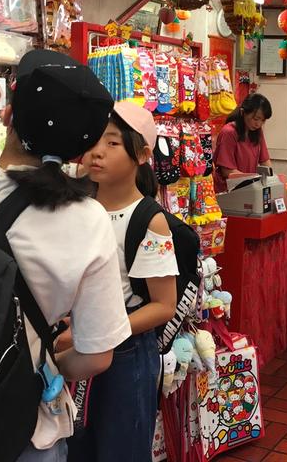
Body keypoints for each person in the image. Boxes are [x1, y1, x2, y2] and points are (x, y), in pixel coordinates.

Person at [0, 50, 131, 461]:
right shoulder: (88, 219)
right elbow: (97, 356)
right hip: (22, 428)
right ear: (82, 148)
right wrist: (46, 367)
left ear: (7, 115)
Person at [69, 101, 178, 462]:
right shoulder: (77, 206)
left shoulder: (149, 220)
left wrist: (97, 330)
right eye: (94, 140)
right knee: (77, 446)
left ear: (142, 155)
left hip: (126, 354)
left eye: (112, 143)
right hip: (75, 349)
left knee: (121, 448)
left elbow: (164, 306)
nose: (96, 152)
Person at [213, 93, 273, 193]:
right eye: (256, 119)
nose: (258, 124)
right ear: (242, 112)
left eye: (263, 120)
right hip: (228, 191)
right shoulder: (229, 132)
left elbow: (265, 161)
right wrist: (252, 182)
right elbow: (227, 171)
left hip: (248, 188)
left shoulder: (257, 131)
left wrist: (272, 180)